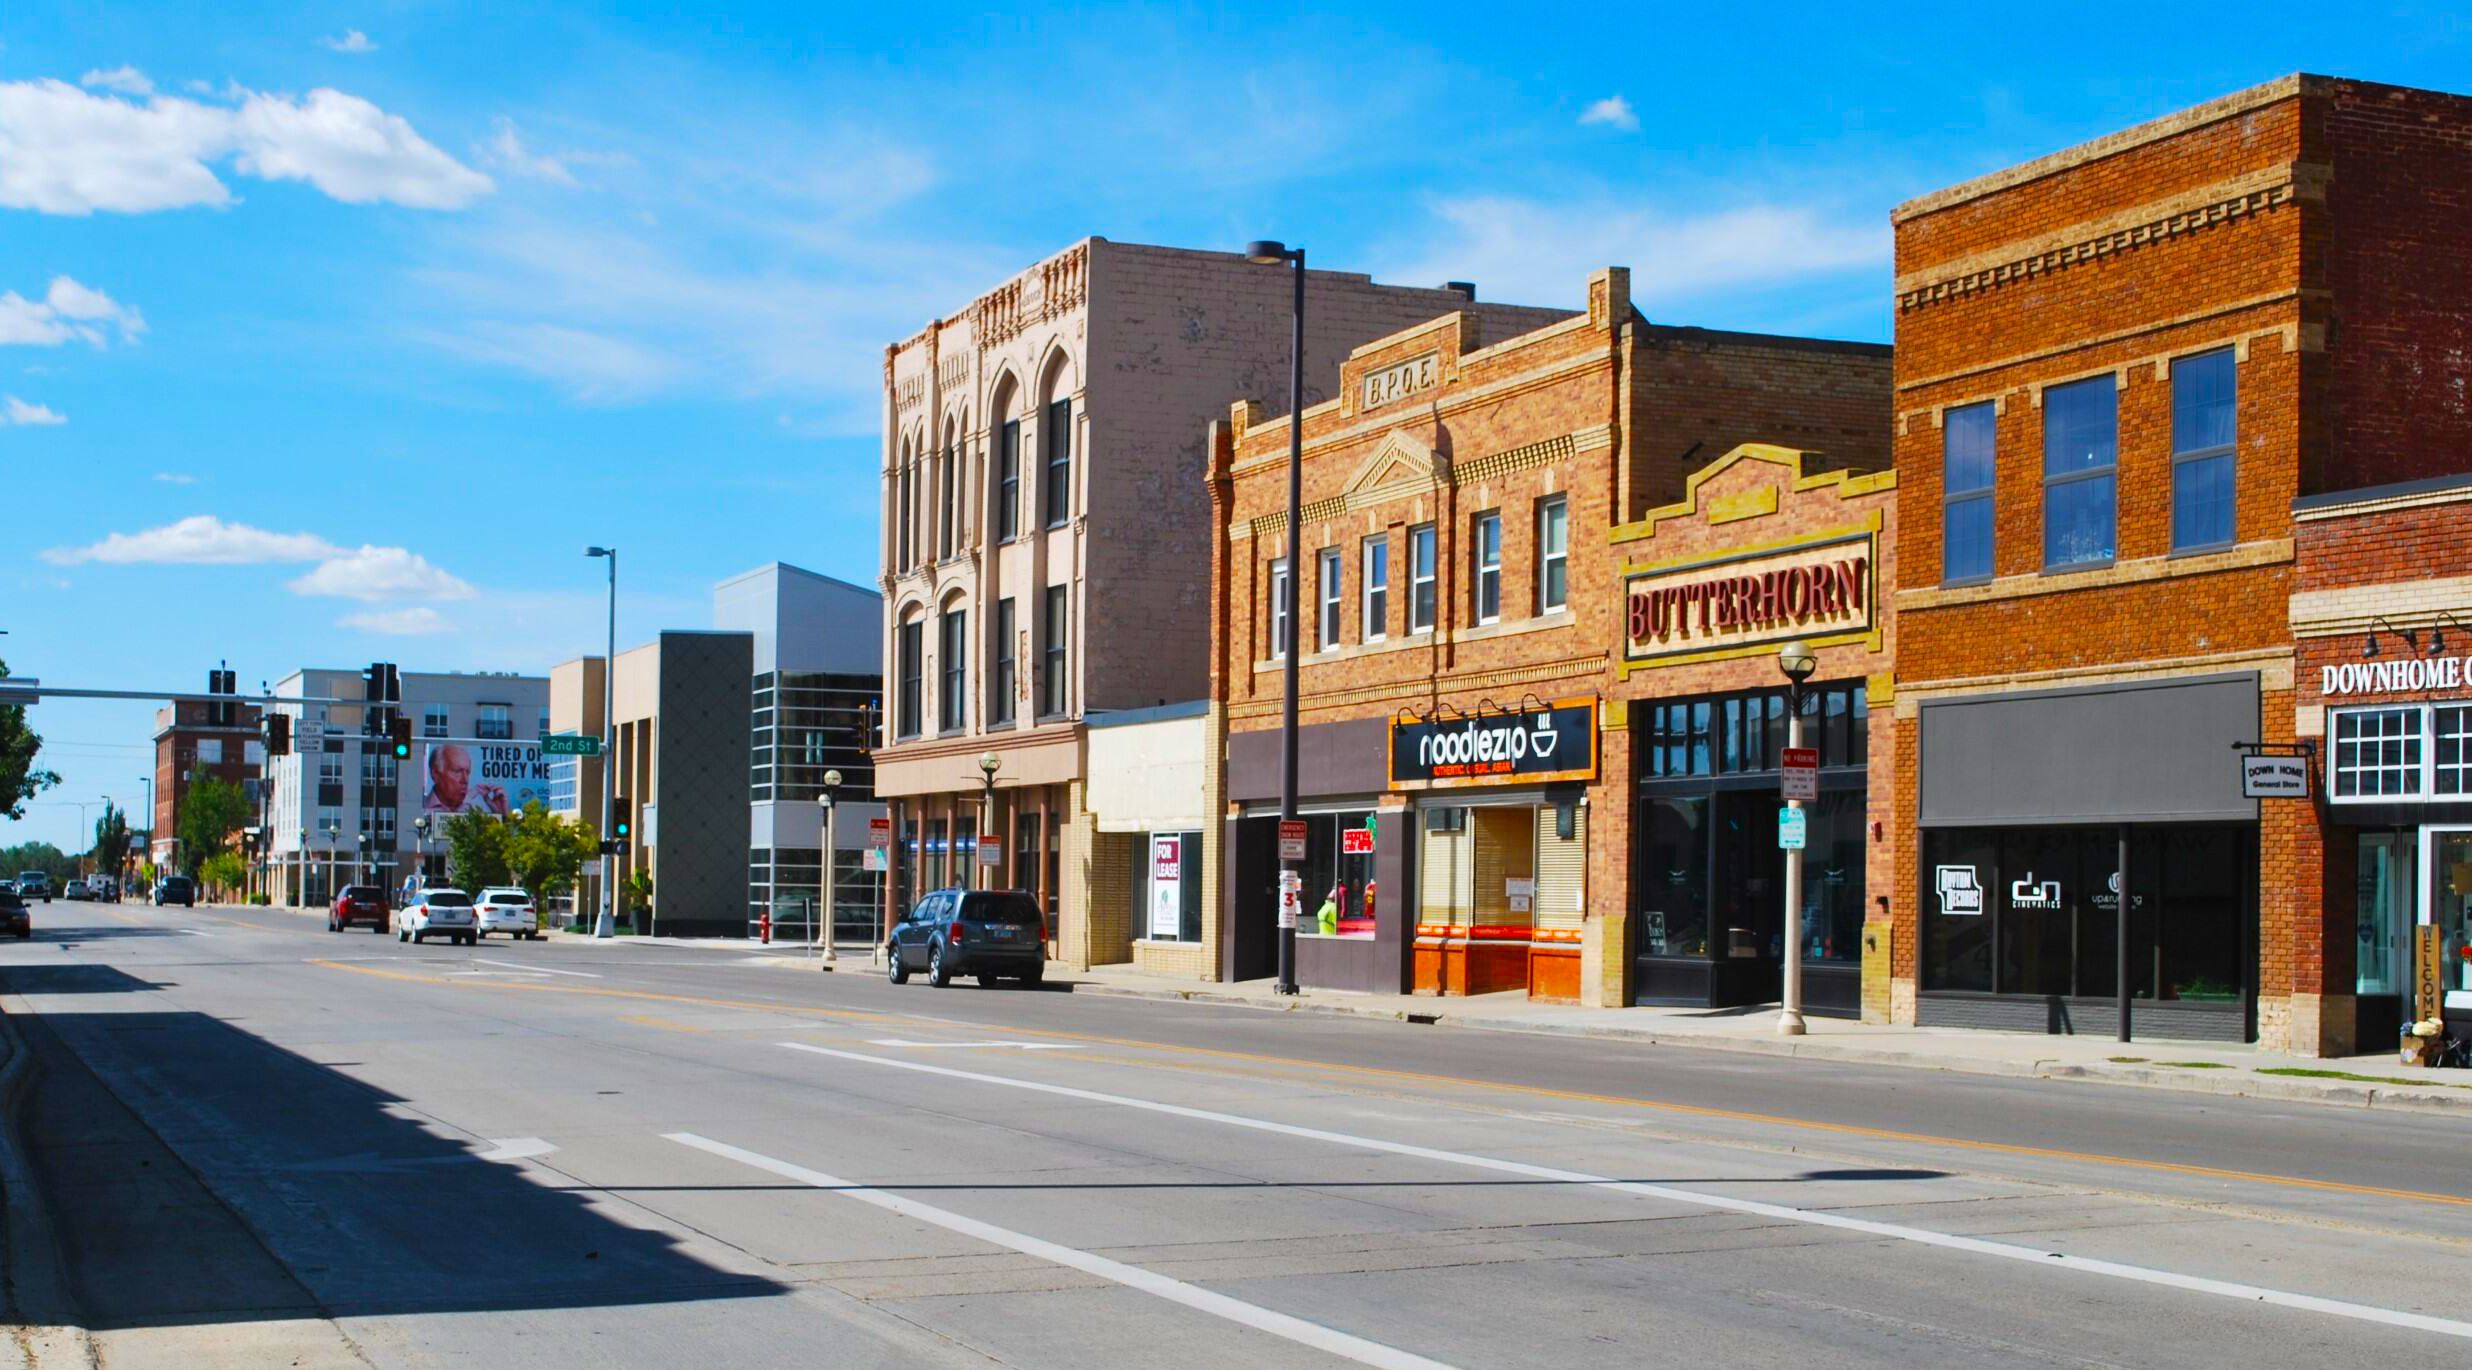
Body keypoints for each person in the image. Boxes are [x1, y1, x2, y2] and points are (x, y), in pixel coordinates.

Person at [423, 742, 509, 816]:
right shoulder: (421, 806)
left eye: (467, 772)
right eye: (457, 771)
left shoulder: (478, 809)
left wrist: (501, 815)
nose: (465, 780)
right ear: (436, 774)